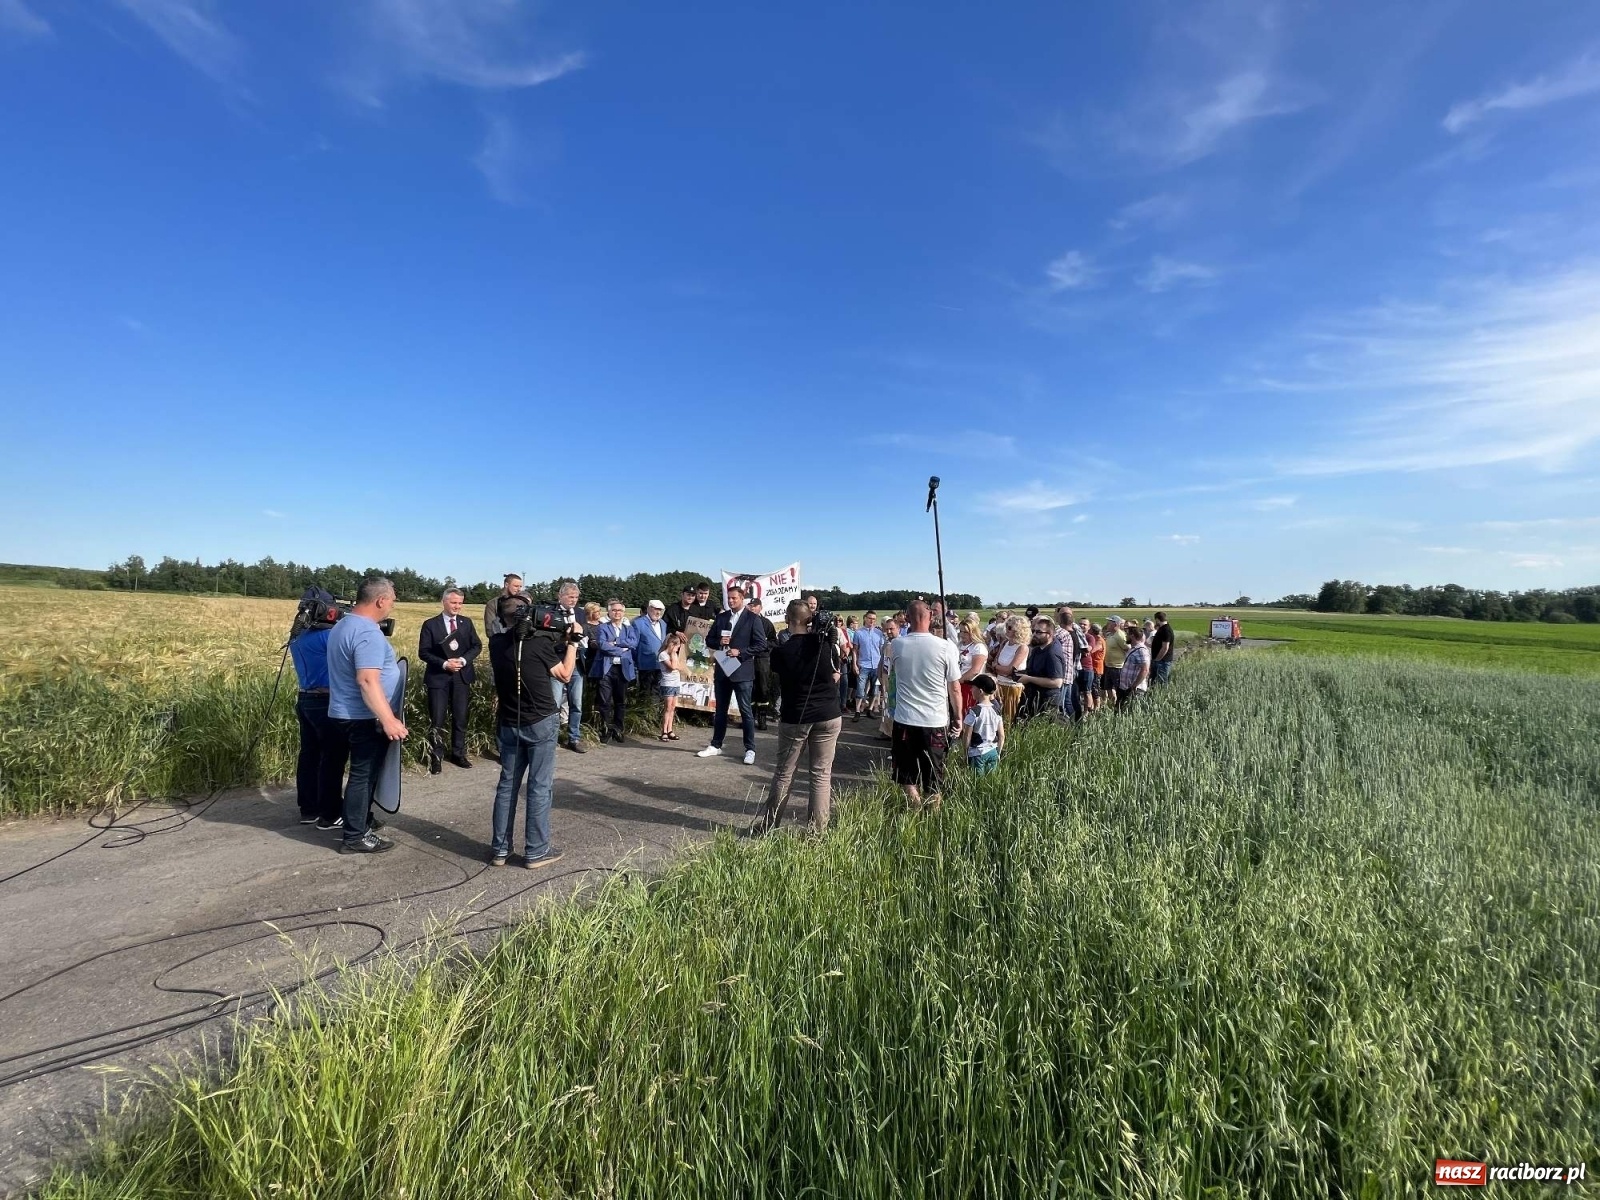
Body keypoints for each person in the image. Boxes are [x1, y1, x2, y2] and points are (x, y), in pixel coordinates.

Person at [487, 593, 580, 868]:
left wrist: (557, 639)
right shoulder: (538, 645)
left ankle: (500, 850)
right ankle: (537, 851)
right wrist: (573, 643)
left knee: (507, 786)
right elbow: (565, 674)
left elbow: (526, 654)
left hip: (509, 722)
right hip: (540, 721)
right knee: (539, 787)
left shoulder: (496, 643)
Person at [325, 576, 405, 854]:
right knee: (363, 775)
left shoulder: (343, 624)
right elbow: (368, 680)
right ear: (380, 600)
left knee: (356, 773)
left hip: (341, 712)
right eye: (392, 600)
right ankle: (355, 836)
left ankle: (359, 820)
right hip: (363, 716)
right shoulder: (368, 632)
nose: (392, 605)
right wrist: (388, 719)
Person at [755, 598, 844, 833]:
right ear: (810, 619)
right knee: (821, 774)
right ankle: (817, 832)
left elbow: (777, 669)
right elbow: (835, 666)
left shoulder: (781, 652)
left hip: (796, 717)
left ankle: (769, 826)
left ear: (787, 620)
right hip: (828, 714)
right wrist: (823, 633)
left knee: (784, 773)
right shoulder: (824, 645)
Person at [888, 600, 962, 812]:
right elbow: (954, 688)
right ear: (930, 617)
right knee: (934, 771)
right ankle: (932, 814)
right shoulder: (946, 647)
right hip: (935, 720)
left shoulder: (897, 645)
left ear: (907, 619)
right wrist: (958, 716)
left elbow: (892, 674)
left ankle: (915, 806)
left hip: (904, 719)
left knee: (906, 771)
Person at [287, 590, 348, 828]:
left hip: (305, 698)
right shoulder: (329, 637)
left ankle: (309, 809)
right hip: (326, 700)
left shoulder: (298, 637)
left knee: (309, 756)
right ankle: (330, 814)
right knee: (332, 758)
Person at [697, 583, 768, 764]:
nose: (730, 601)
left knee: (745, 711)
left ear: (742, 599)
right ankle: (716, 745)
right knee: (720, 710)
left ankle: (750, 749)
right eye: (728, 598)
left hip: (742, 671)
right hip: (723, 669)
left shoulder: (753, 619)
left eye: (734, 598)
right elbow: (709, 640)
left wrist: (741, 652)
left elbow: (761, 645)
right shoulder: (722, 617)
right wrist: (719, 641)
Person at [418, 587, 482, 773]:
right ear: (444, 602)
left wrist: (463, 660)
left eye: (460, 603)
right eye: (454, 602)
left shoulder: (466, 623)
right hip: (438, 678)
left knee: (460, 717)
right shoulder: (430, 624)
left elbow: (476, 645)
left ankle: (458, 753)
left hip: (461, 677)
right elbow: (423, 652)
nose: (457, 606)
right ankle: (436, 757)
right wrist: (445, 664)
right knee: (437, 719)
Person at [590, 598, 638, 744]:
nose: (617, 613)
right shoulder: (602, 628)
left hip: (623, 669)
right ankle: (605, 729)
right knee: (604, 701)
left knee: (620, 701)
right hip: (607, 669)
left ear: (624, 612)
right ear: (609, 612)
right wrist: (622, 649)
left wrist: (616, 643)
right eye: (614, 610)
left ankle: (618, 729)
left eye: (620, 610)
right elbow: (603, 645)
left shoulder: (629, 629)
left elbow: (633, 643)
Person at [549, 581, 589, 753]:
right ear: (560, 596)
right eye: (570, 596)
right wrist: (565, 640)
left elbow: (584, 633)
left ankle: (574, 738)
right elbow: (548, 639)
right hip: (557, 663)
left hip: (577, 664)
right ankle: (551, 739)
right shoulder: (551, 612)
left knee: (576, 704)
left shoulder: (580, 613)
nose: (574, 600)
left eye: (576, 597)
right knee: (554, 704)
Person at [1016, 614, 1068, 719]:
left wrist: (1029, 679)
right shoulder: (1037, 649)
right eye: (1034, 631)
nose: (1034, 634)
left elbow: (1057, 682)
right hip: (1032, 698)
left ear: (1050, 634)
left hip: (1046, 702)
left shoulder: (1052, 653)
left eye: (1039, 632)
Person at [960, 673, 1004, 776]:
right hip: (992, 751)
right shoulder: (996, 710)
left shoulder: (974, 711)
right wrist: (998, 753)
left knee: (977, 781)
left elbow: (967, 735)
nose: (971, 690)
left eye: (973, 688)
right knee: (991, 780)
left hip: (977, 753)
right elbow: (1001, 735)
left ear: (980, 691)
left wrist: (965, 754)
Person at [991, 614, 1030, 729]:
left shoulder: (1022, 647)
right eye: (1006, 626)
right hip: (999, 685)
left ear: (1018, 630)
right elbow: (995, 662)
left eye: (1009, 627)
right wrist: (999, 668)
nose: (1006, 630)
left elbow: (1010, 670)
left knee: (1008, 719)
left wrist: (998, 667)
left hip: (1012, 687)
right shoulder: (1004, 643)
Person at [748, 596, 778, 729]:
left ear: (760, 607)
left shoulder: (767, 623)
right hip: (747, 659)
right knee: (749, 688)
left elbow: (774, 642)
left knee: (763, 688)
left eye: (755, 606)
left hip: (762, 659)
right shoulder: (744, 622)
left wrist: (763, 644)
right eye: (750, 606)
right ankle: (749, 718)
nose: (752, 608)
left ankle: (762, 718)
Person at [850, 610, 885, 720]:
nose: (872, 621)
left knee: (875, 689)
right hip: (863, 665)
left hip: (876, 665)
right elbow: (855, 650)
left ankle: (870, 709)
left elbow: (881, 649)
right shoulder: (858, 633)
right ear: (865, 618)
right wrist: (855, 664)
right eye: (870, 618)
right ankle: (857, 711)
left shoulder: (879, 633)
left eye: (874, 619)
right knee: (860, 689)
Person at [632, 600, 668, 698]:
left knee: (657, 692)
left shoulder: (663, 623)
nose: (658, 612)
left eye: (660, 610)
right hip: (645, 664)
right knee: (645, 692)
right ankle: (644, 708)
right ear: (648, 609)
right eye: (655, 609)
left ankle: (654, 707)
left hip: (660, 664)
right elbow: (634, 646)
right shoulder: (638, 623)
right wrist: (637, 661)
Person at [657, 631, 687, 741]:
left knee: (673, 707)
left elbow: (680, 667)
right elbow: (673, 667)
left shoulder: (674, 655)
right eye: (677, 646)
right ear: (672, 645)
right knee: (668, 707)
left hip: (676, 683)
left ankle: (670, 729)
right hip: (668, 683)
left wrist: (677, 661)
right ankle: (664, 731)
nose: (678, 649)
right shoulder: (663, 654)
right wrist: (673, 655)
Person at [955, 616, 989, 715]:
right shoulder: (959, 645)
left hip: (970, 685)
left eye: (965, 632)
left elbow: (975, 670)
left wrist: (958, 681)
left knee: (967, 712)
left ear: (973, 632)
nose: (962, 634)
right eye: (961, 631)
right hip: (958, 683)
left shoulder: (978, 647)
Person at [1101, 616, 1129, 709]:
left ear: (1115, 624)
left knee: (1117, 689)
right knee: (1108, 688)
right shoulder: (1111, 635)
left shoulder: (1120, 635)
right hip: (1109, 666)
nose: (1107, 625)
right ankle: (1112, 706)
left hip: (1117, 667)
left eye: (1109, 623)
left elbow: (1127, 648)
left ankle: (1119, 707)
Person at [1119, 624, 1151, 707]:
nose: (1126, 637)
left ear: (1132, 636)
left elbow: (1145, 670)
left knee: (1130, 710)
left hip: (1135, 689)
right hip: (1126, 687)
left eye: (1127, 634)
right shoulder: (1133, 648)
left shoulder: (1141, 650)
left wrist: (1135, 685)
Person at [1150, 611, 1175, 685]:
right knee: (1154, 683)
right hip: (1159, 660)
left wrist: (1157, 659)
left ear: (1157, 619)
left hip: (1162, 661)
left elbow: (1165, 647)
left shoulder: (1166, 630)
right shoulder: (1162, 629)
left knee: (1161, 684)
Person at [1086, 622, 1106, 712]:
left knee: (1095, 688)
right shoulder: (1096, 639)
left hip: (1097, 667)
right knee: (1092, 687)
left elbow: (1092, 651)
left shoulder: (1099, 641)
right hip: (1093, 667)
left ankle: (1097, 708)